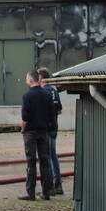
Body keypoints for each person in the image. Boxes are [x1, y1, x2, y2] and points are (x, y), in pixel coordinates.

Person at [19, 69, 55, 201]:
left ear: (30, 80)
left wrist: (23, 129)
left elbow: (25, 117)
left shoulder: (27, 96)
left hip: (30, 132)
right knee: (45, 161)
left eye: (26, 78)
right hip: (44, 131)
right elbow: (52, 115)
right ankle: (46, 192)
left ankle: (31, 193)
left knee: (31, 161)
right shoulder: (46, 95)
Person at [38, 67, 64, 195]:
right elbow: (59, 110)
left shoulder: (42, 92)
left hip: (45, 128)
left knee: (47, 157)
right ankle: (58, 184)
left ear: (41, 78)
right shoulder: (54, 91)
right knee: (53, 156)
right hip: (54, 127)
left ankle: (50, 186)